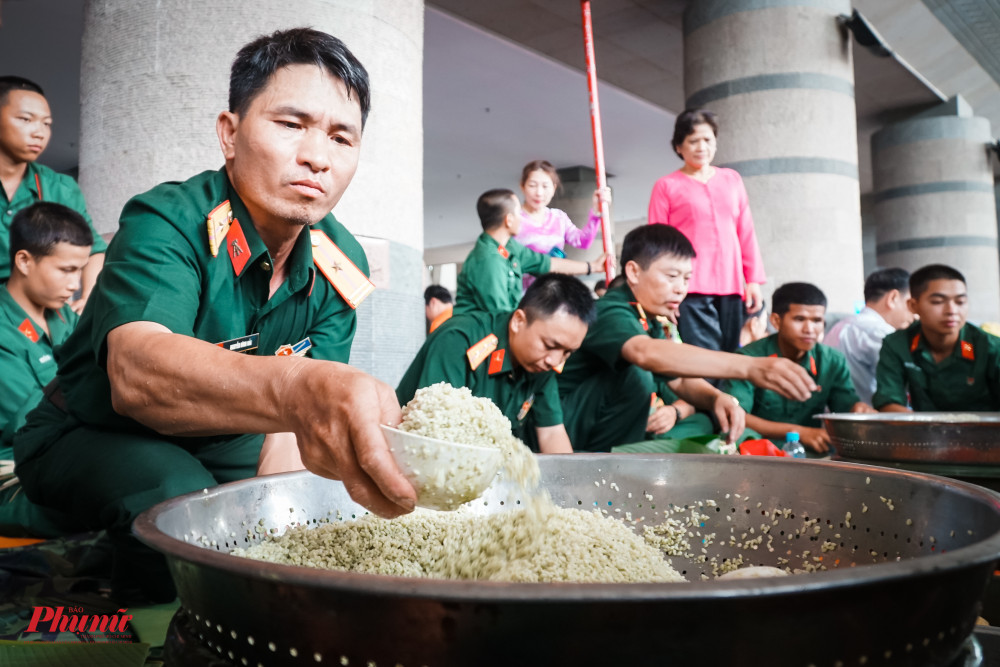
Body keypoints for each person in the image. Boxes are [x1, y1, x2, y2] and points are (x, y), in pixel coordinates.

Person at [13, 28, 417, 602]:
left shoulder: (341, 263)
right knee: (181, 503)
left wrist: (283, 550)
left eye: (341, 137)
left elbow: (290, 432)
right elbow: (137, 376)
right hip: (89, 428)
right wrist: (299, 387)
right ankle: (144, 628)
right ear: (229, 133)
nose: (317, 157)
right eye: (291, 124)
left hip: (219, 443)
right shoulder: (168, 220)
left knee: (308, 512)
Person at [556, 225, 816, 453]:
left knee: (708, 418)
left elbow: (678, 379)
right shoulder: (612, 309)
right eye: (671, 277)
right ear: (634, 272)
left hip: (613, 420)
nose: (681, 288)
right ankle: (609, 460)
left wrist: (716, 398)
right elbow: (646, 354)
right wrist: (749, 367)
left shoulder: (651, 316)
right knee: (638, 376)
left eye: (686, 278)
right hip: (567, 424)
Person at [398, 274, 595, 453]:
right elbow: (434, 436)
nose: (555, 360)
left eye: (568, 352)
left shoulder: (543, 364)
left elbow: (551, 432)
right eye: (550, 345)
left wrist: (567, 487)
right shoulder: (459, 340)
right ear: (518, 321)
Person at [0, 202, 92, 537]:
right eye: (66, 270)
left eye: (80, 270)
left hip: (66, 457)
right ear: (24, 261)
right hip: (13, 477)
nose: (76, 284)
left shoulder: (67, 319)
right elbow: (34, 426)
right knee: (115, 503)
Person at [647, 108, 765, 353]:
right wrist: (666, 290)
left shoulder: (732, 180)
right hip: (689, 289)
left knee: (732, 354)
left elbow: (746, 231)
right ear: (679, 146)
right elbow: (657, 244)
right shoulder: (666, 186)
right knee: (703, 359)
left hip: (732, 287)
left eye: (708, 140)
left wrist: (752, 280)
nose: (702, 147)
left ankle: (729, 394)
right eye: (693, 141)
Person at [723, 283, 874, 456]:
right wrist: (799, 432)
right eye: (799, 319)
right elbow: (737, 415)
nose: (809, 329)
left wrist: (858, 408)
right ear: (776, 321)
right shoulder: (749, 358)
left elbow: (845, 406)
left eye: (817, 321)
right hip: (759, 451)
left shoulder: (832, 360)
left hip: (812, 451)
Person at [0, 76, 107, 311]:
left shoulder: (60, 187)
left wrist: (88, 296)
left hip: (42, 313)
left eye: (46, 123)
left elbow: (94, 250)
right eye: (26, 119)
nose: (39, 132)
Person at [453, 188, 605, 316]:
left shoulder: (509, 247)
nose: (523, 217)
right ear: (509, 220)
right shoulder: (489, 260)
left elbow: (547, 264)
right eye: (519, 212)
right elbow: (500, 315)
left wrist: (593, 267)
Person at [873, 264, 1000, 412]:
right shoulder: (898, 345)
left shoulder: (987, 347)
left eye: (960, 302)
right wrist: (927, 430)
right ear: (913, 306)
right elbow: (888, 401)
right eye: (938, 302)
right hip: (921, 433)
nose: (952, 311)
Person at [515, 159, 610, 287]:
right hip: (522, 293)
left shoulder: (558, 217)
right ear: (522, 186)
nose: (539, 193)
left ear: (554, 188)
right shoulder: (513, 218)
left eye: (545, 186)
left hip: (553, 290)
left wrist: (596, 213)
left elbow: (583, 242)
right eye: (532, 185)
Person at [824, 268, 913, 404]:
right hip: (869, 417)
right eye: (910, 303)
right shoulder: (881, 332)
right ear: (893, 298)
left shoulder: (839, 326)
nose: (915, 313)